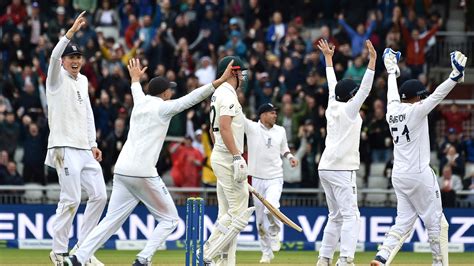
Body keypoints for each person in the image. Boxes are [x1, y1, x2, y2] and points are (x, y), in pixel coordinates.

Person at [64, 58, 234, 266]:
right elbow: (193, 98)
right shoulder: (163, 108)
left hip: (123, 170)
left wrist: (135, 78)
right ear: (163, 93)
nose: (171, 93)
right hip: (143, 172)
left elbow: (136, 88)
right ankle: (143, 259)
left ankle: (77, 258)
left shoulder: (140, 102)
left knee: (110, 221)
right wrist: (220, 81)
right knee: (170, 220)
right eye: (169, 90)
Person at [370, 48, 467, 266]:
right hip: (419, 174)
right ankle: (439, 262)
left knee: (403, 222)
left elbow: (392, 93)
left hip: (399, 176)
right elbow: (437, 95)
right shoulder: (416, 111)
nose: (422, 98)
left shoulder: (391, 111)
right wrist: (454, 75)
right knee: (437, 223)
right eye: (420, 96)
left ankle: (382, 256)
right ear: (415, 98)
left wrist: (391, 70)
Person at [43, 11, 107, 266]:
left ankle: (83, 250)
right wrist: (70, 33)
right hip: (63, 146)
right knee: (70, 199)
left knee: (100, 195)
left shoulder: (83, 81)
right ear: (64, 61)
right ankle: (58, 251)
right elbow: (53, 56)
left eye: (78, 57)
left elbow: (88, 113)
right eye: (71, 57)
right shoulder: (55, 80)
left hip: (83, 148)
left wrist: (93, 143)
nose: (75, 61)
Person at [316, 39, 377, 266]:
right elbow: (366, 90)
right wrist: (372, 61)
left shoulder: (334, 104)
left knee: (336, 216)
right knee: (351, 216)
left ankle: (324, 259)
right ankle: (345, 260)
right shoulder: (350, 110)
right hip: (341, 168)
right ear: (351, 96)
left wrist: (328, 59)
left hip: (326, 167)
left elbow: (333, 84)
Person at [203, 56, 255, 266]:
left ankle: (226, 262)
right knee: (239, 213)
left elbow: (212, 130)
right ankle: (206, 253)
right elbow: (224, 127)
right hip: (227, 158)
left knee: (226, 213)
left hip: (221, 155)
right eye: (240, 71)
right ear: (233, 71)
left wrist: (223, 151)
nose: (243, 75)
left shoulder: (218, 94)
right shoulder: (228, 95)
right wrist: (236, 156)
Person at [244, 102, 298, 263]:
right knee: (260, 222)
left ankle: (275, 231)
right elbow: (238, 115)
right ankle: (266, 252)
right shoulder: (252, 128)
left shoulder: (280, 130)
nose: (275, 115)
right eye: (271, 112)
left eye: (275, 112)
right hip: (257, 179)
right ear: (263, 114)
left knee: (272, 208)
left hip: (275, 177)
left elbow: (284, 148)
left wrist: (290, 157)